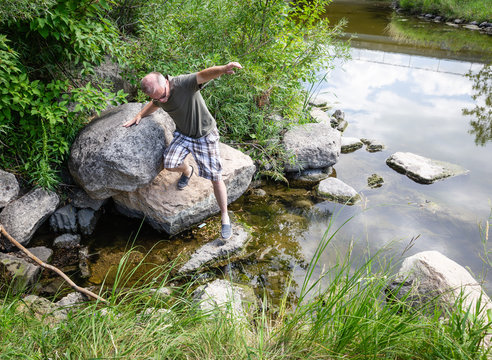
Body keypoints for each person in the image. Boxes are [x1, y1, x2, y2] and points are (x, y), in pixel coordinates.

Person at [123, 62, 243, 240]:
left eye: (163, 95)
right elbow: (154, 104)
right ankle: (188, 171)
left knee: (215, 177)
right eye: (158, 98)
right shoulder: (158, 94)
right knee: (170, 163)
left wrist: (224, 69)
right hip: (183, 135)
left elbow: (203, 74)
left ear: (165, 81)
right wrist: (139, 115)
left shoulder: (183, 83)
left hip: (204, 135)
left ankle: (225, 216)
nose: (162, 100)